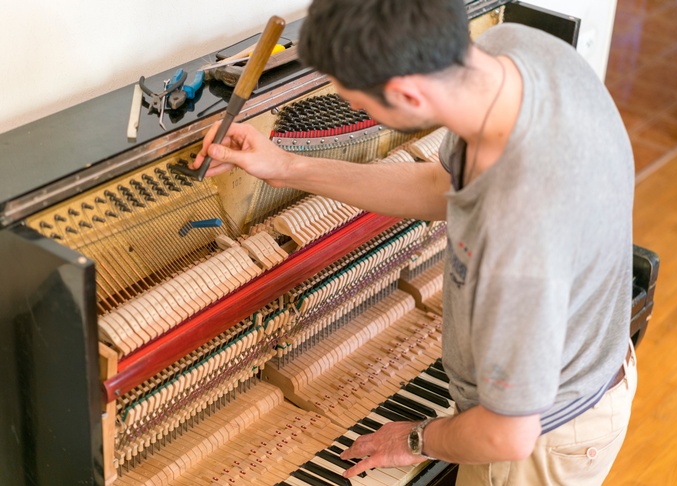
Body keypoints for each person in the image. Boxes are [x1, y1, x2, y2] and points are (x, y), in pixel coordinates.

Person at [191, 0, 637, 484]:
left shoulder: (520, 223)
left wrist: (415, 438)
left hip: (545, 440)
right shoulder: (513, 50)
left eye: (359, 104)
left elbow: (507, 436)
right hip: (564, 378)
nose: (355, 109)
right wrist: (286, 167)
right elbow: (438, 187)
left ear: (406, 94)